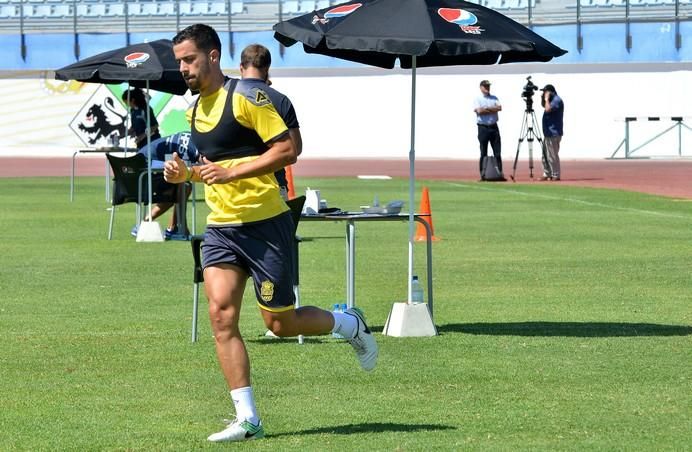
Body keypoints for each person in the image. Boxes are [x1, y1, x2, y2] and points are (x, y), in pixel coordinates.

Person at [166, 24, 378, 443]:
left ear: (212, 56)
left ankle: (347, 323)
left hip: (266, 223)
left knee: (279, 323)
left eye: (189, 59)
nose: (183, 69)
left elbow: (287, 150)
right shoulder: (194, 111)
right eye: (179, 62)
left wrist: (231, 172)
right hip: (221, 227)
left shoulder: (246, 97)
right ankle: (248, 419)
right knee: (220, 315)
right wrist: (185, 174)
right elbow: (213, 169)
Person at [238, 43, 302, 200]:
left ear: (241, 67)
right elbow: (296, 148)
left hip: (237, 187)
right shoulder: (281, 100)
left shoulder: (227, 96)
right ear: (267, 68)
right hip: (274, 185)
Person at [131, 132, 199, 239]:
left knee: (181, 187)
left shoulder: (195, 138)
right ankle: (179, 229)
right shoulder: (195, 148)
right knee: (183, 187)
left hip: (138, 170)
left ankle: (171, 228)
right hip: (144, 169)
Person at [473, 79, 504, 181]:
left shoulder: (494, 97)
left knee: (497, 152)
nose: (487, 88)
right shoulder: (478, 99)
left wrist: (486, 109)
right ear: (481, 87)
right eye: (485, 86)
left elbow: (499, 108)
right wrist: (491, 109)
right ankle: (483, 174)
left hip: (493, 127)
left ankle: (499, 173)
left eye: (488, 86)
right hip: (483, 127)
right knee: (483, 152)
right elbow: (479, 111)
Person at [540, 84, 564, 181]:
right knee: (545, 155)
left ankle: (555, 174)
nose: (543, 93)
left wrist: (546, 99)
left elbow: (547, 109)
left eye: (545, 92)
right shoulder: (550, 100)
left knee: (552, 155)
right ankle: (547, 173)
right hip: (547, 133)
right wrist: (543, 99)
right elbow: (543, 106)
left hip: (554, 133)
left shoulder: (557, 100)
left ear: (550, 92)